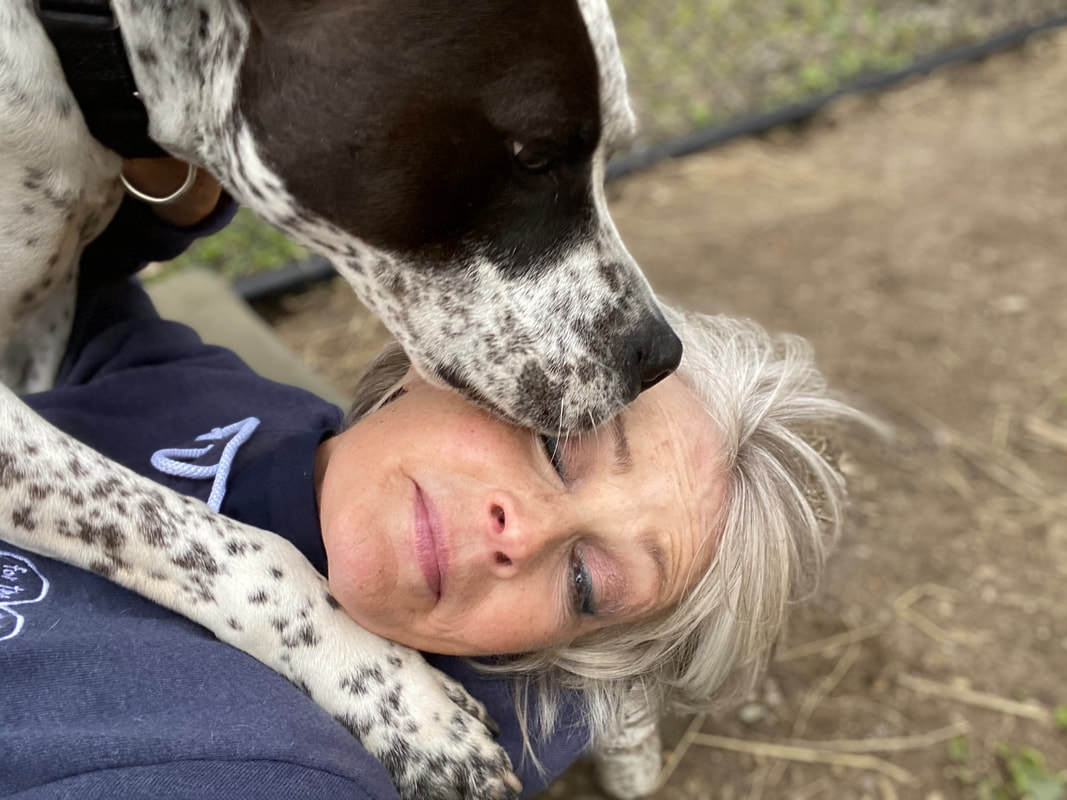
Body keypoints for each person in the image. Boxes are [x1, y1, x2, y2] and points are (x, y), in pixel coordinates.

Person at [0, 158, 867, 799]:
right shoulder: (222, 398)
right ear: (444, 356)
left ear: (555, 652)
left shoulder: (267, 764)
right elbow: (77, 292)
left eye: (583, 581)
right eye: (558, 444)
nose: (519, 533)